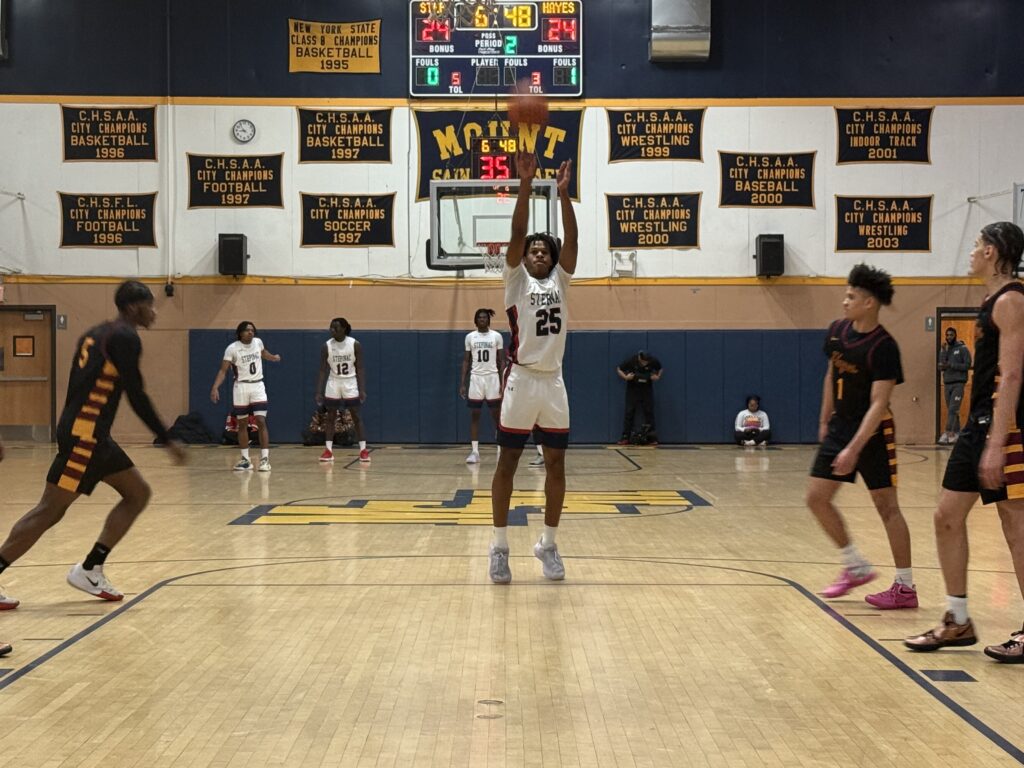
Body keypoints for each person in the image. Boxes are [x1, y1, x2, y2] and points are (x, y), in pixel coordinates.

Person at [0, 281, 187, 654]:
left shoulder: (95, 333)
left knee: (137, 494)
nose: (154, 313)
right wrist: (165, 438)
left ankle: (89, 569)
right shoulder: (125, 337)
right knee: (50, 510)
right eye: (150, 306)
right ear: (134, 307)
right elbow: (136, 393)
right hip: (87, 436)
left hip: (90, 434)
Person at [905, 222, 1024, 661]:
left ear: (992, 252)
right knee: (946, 516)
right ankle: (957, 620)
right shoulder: (993, 299)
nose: (971, 252)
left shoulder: (1012, 300)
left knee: (1017, 529)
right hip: (978, 425)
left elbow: (1011, 374)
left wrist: (997, 442)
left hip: (1005, 428)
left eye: (976, 246)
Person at [806, 264, 918, 609]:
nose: (844, 302)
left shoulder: (883, 346)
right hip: (841, 427)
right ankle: (855, 566)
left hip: (873, 432)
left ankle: (905, 586)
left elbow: (879, 403)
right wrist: (826, 419)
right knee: (816, 498)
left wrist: (854, 448)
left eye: (851, 296)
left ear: (869, 303)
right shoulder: (837, 331)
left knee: (887, 507)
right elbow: (831, 373)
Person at [489, 151, 577, 584]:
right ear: (523, 258)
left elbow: (572, 244)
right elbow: (518, 231)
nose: (539, 253)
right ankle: (500, 546)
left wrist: (563, 196)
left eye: (545, 250)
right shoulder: (516, 280)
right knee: (507, 463)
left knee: (557, 466)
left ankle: (548, 544)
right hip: (522, 380)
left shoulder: (561, 280)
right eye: (533, 250)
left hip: (553, 382)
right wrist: (524, 185)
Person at [210, 321, 280, 471]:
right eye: (247, 330)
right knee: (242, 424)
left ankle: (265, 459)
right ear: (240, 332)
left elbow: (263, 353)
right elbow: (223, 371)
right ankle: (245, 460)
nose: (251, 332)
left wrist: (272, 357)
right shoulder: (232, 349)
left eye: (252, 330)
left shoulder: (258, 342)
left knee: (261, 421)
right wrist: (215, 387)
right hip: (241, 386)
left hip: (258, 386)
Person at [315, 317, 370, 463]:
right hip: (334, 381)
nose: (332, 330)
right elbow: (322, 370)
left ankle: (363, 450)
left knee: (356, 416)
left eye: (335, 328)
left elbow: (360, 368)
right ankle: (328, 451)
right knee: (330, 417)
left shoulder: (354, 344)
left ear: (344, 329)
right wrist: (319, 391)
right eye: (331, 328)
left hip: (350, 382)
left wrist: (362, 389)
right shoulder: (326, 346)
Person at [460, 308, 505, 464]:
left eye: (485, 317)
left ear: (488, 320)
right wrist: (462, 383)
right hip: (476, 379)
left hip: (492, 378)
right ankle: (474, 451)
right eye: (479, 317)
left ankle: (501, 447)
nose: (482, 319)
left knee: (496, 415)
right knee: (475, 415)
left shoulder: (496, 336)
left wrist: (502, 381)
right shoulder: (470, 337)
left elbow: (502, 361)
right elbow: (466, 360)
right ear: (475, 320)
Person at [616, 350, 663, 445]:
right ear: (639, 358)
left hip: (646, 389)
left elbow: (660, 368)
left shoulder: (653, 361)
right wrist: (625, 377)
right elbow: (619, 369)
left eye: (647, 362)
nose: (646, 363)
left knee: (649, 412)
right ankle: (625, 437)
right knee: (629, 412)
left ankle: (652, 438)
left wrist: (658, 376)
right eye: (644, 362)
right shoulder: (631, 361)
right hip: (633, 389)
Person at [938, 326, 972, 444]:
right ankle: (956, 433)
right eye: (947, 335)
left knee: (953, 409)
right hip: (947, 383)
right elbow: (941, 366)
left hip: (958, 383)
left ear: (955, 335)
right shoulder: (945, 349)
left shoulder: (962, 348)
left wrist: (952, 365)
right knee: (953, 410)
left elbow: (967, 365)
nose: (949, 337)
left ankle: (947, 432)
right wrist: (942, 351)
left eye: (951, 335)